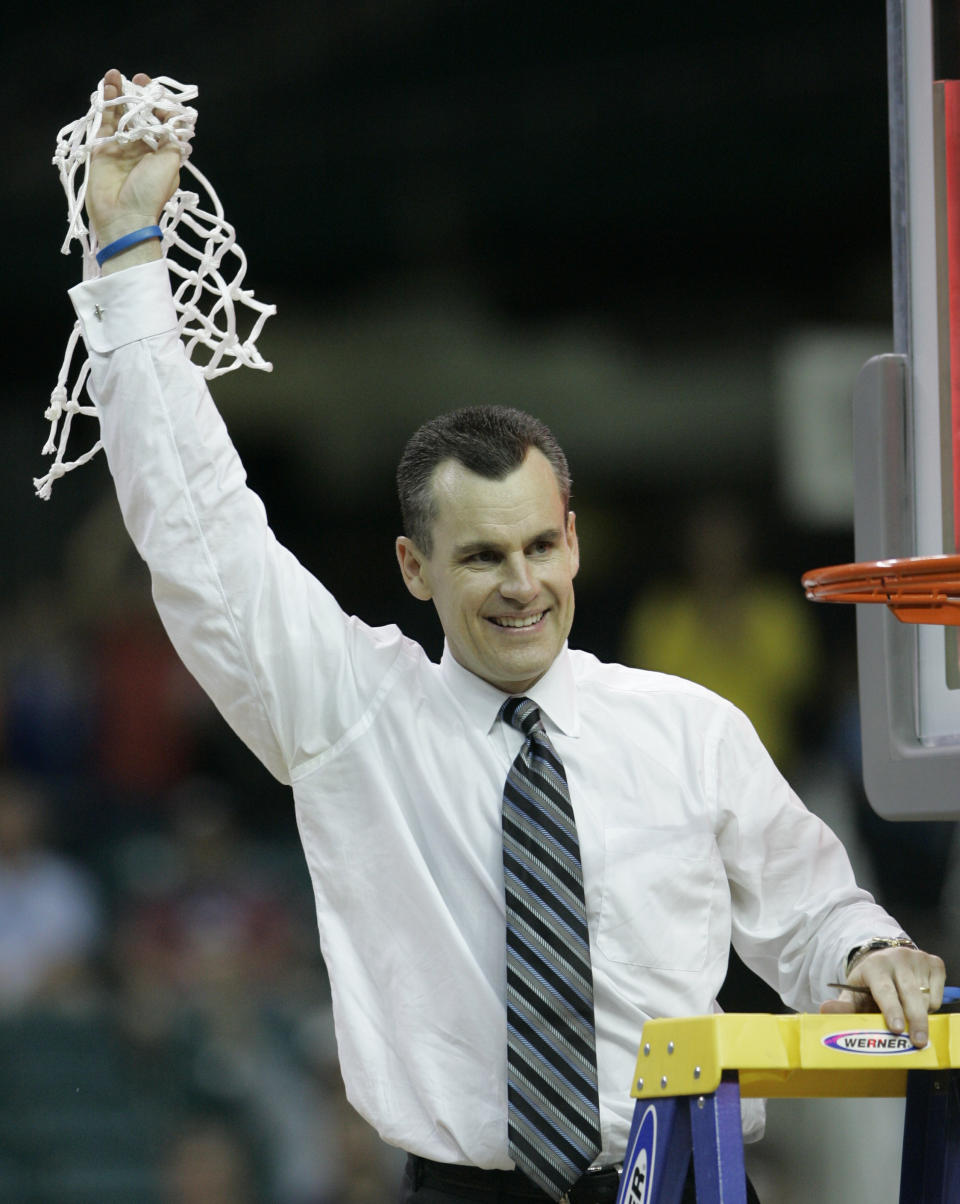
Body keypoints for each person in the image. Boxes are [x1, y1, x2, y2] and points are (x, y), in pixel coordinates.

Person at [62, 68, 945, 1203]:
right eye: (481, 556)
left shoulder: (686, 727)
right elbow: (197, 535)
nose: (520, 583)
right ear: (413, 567)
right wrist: (127, 254)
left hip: (688, 1178)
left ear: (574, 540)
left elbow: (815, 910)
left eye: (538, 546)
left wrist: (873, 953)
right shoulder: (354, 718)